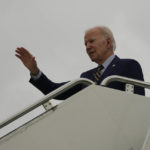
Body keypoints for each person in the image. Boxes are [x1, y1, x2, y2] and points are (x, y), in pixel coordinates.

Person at [15, 26, 145, 100]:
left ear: (108, 42)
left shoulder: (129, 65)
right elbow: (55, 91)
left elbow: (138, 103)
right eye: (85, 44)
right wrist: (35, 71)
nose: (87, 47)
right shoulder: (86, 77)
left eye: (92, 41)